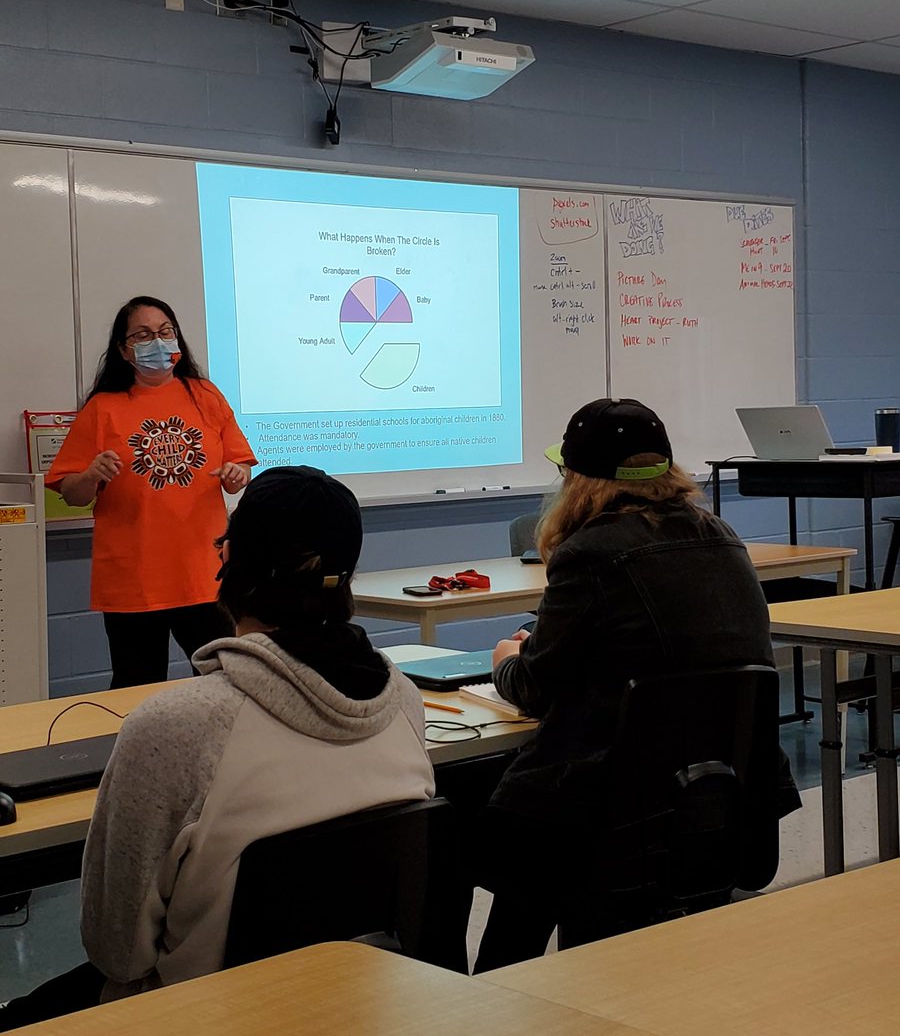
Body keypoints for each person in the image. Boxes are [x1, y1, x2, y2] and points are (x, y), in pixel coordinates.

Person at [0, 465, 435, 1028]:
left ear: (231, 561)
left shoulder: (174, 727)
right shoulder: (404, 700)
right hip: (359, 1003)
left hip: (203, 1016)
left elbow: (116, 949)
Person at [473, 397, 799, 972]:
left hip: (611, 809)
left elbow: (536, 687)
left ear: (576, 480)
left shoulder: (589, 553)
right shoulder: (722, 536)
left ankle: (497, 991)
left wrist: (506, 659)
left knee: (496, 819)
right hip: (718, 793)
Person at [46, 296, 257, 687]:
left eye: (165, 332)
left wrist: (235, 473)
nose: (157, 343)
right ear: (124, 350)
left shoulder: (206, 396)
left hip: (203, 574)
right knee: (135, 687)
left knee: (226, 683)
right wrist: (91, 474)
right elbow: (71, 492)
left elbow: (239, 466)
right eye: (143, 335)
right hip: (133, 579)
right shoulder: (102, 408)